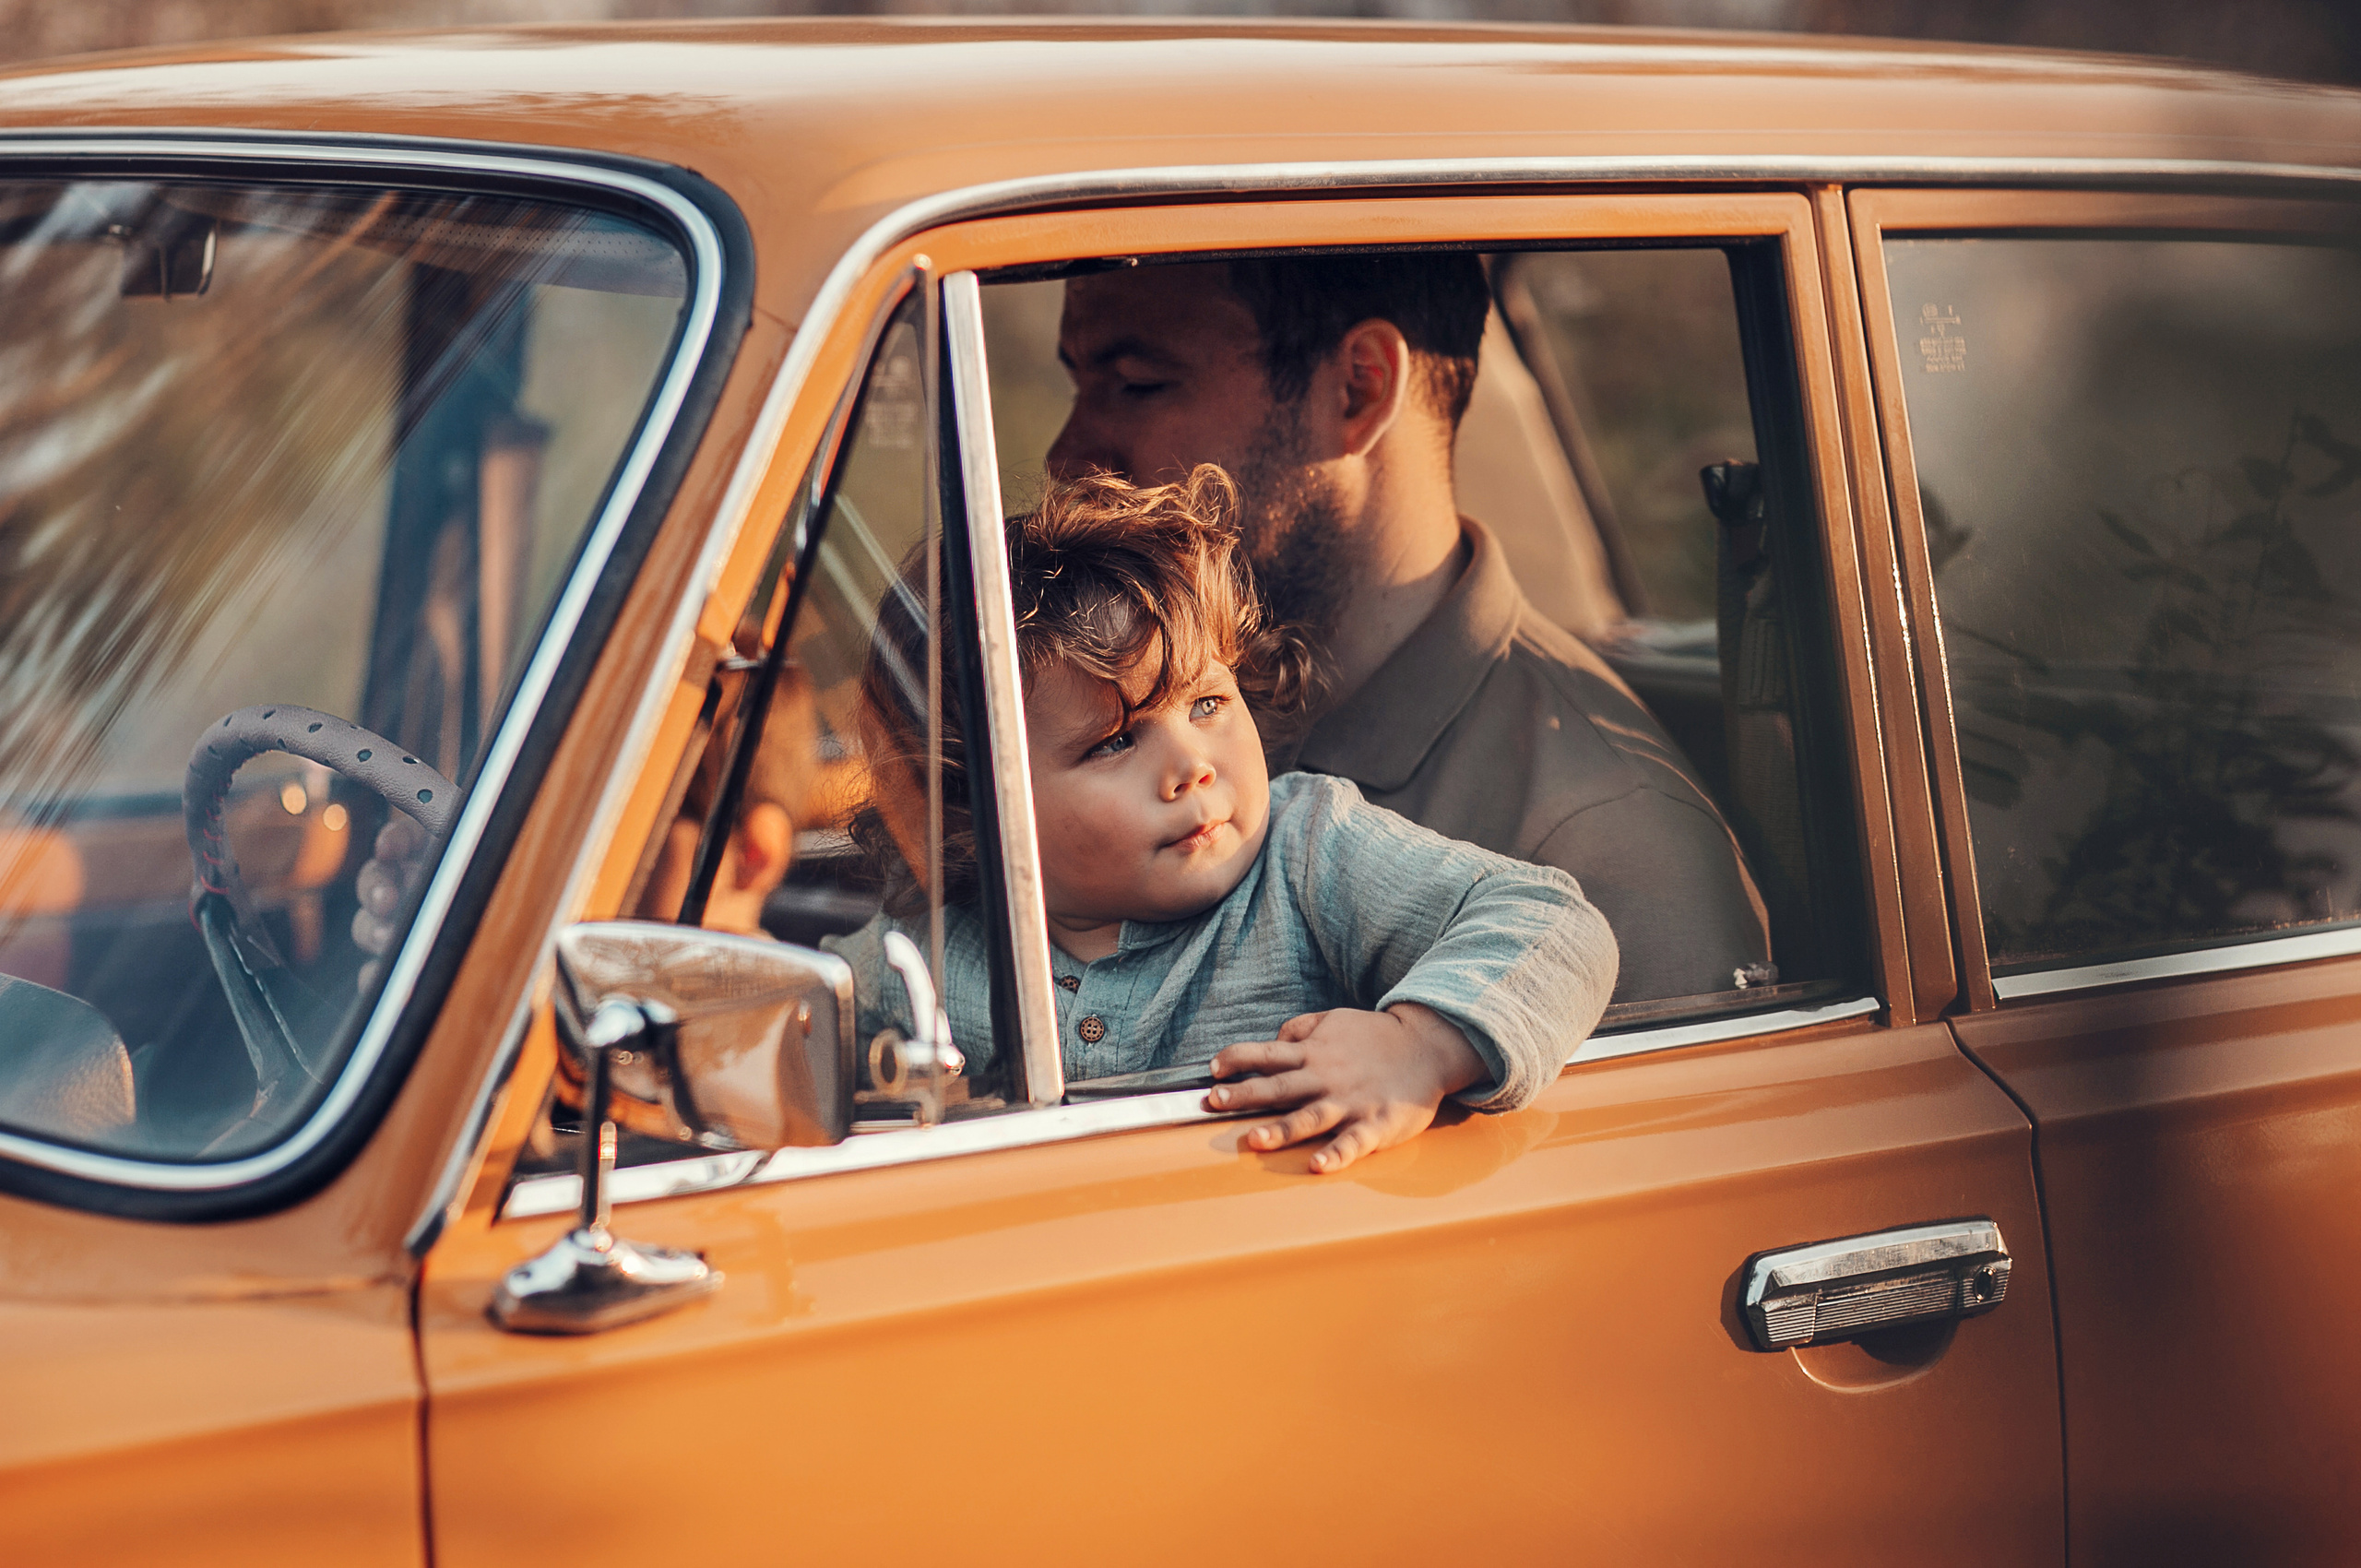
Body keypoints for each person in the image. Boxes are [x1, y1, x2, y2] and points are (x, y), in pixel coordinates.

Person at [828, 467, 1617, 1173]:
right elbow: (798, 1029)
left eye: (1207, 703)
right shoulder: (930, 946)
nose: (1192, 765)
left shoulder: (1309, 853)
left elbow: (1551, 923)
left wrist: (1419, 1048)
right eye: (1115, 741)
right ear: (974, 806)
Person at [1047, 255, 1768, 1002]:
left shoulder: (1605, 855)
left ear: (1359, 388)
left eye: (1136, 383)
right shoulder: (1100, 696)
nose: (1065, 456)